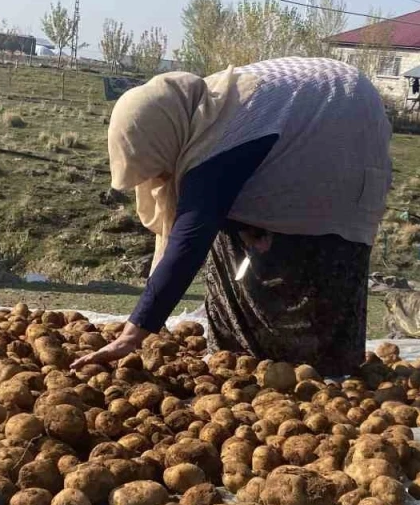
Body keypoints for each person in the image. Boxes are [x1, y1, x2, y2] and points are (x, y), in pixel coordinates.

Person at [72, 56, 392, 377]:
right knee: (232, 240)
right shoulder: (195, 110)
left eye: (155, 165)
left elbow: (188, 244)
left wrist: (133, 334)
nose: (158, 177)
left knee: (305, 267)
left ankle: (316, 370)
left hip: (343, 122)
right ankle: (243, 358)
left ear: (162, 135)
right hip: (307, 112)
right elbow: (199, 211)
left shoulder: (220, 137)